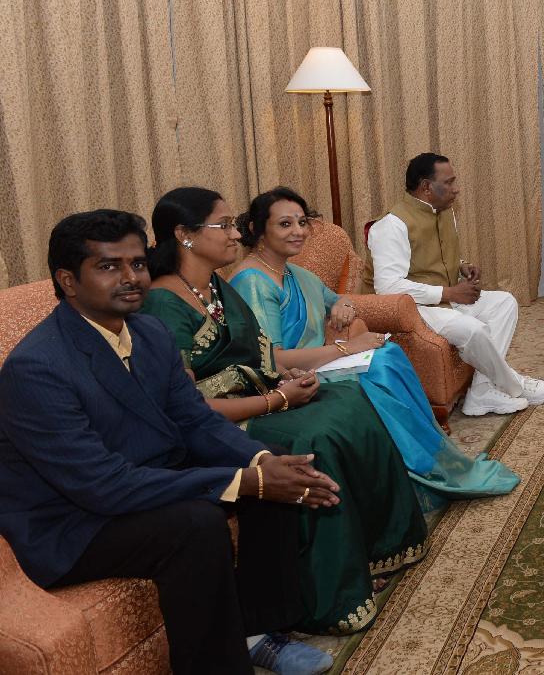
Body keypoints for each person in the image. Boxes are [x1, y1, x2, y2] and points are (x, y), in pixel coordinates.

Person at [0, 210, 337, 675]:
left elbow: (194, 419)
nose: (130, 277)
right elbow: (101, 485)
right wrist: (242, 480)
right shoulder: (36, 368)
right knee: (196, 523)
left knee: (274, 465)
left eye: (137, 264)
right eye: (108, 266)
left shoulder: (148, 331)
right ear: (68, 280)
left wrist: (258, 461)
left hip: (140, 474)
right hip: (71, 519)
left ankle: (258, 630)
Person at [139, 187, 428, 636]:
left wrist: (284, 381)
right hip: (219, 423)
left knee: (349, 402)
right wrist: (278, 400)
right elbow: (187, 408)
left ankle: (372, 551)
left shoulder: (214, 286)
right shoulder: (163, 302)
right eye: (224, 225)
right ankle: (324, 593)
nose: (236, 234)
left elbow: (258, 357)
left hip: (260, 395)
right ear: (184, 234)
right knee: (314, 439)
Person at [230, 186, 520, 511]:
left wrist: (342, 306)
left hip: (317, 363)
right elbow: (274, 359)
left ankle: (426, 462)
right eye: (285, 224)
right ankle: (417, 470)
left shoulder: (294, 273)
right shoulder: (254, 282)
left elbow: (337, 299)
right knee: (381, 365)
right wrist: (349, 348)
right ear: (257, 229)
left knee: (387, 356)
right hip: (287, 378)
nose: (298, 231)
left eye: (301, 222)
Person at [366, 153, 544, 416]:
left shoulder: (445, 212)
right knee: (473, 330)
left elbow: (435, 257)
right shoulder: (391, 225)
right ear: (426, 187)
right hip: (412, 307)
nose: (456, 189)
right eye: (449, 182)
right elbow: (387, 287)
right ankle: (515, 385)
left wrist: (461, 265)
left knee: (505, 303)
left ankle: (481, 393)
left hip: (443, 298)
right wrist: (449, 292)